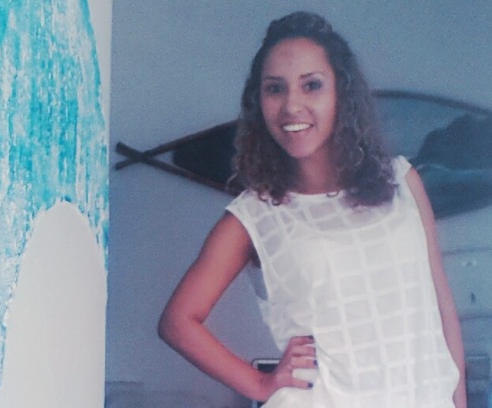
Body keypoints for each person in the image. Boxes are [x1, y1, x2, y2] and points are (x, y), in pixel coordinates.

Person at [158, 11, 467, 408]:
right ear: (258, 102)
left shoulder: (402, 182)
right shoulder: (255, 215)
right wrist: (259, 383)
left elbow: (441, 306)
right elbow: (178, 321)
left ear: (342, 93)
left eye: (312, 85)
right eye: (275, 89)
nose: (292, 105)